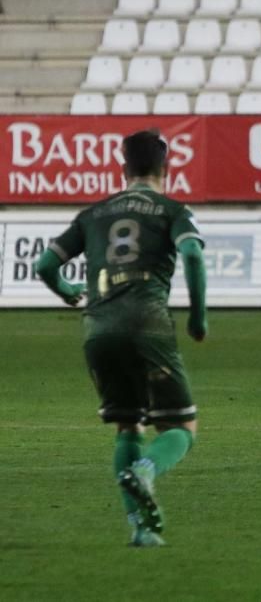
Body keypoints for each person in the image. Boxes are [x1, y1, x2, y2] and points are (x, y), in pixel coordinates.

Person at [32, 130, 207, 548]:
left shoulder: (93, 214)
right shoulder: (170, 209)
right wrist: (198, 318)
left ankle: (141, 529)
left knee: (127, 426)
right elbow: (193, 255)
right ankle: (146, 470)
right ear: (166, 169)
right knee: (181, 424)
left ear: (122, 168)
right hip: (147, 321)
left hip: (98, 326)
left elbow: (44, 264)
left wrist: (67, 292)